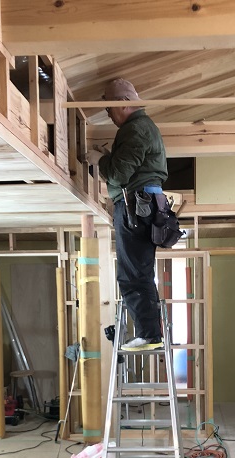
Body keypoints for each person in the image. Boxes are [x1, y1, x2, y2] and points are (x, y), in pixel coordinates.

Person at [85, 78, 168, 351]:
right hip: (143, 204)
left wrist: (101, 161)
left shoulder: (135, 129)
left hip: (136, 205)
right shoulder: (140, 128)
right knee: (137, 271)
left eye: (109, 108)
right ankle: (150, 332)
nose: (108, 114)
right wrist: (109, 157)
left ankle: (149, 334)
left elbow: (119, 174)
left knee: (133, 274)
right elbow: (128, 168)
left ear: (123, 103)